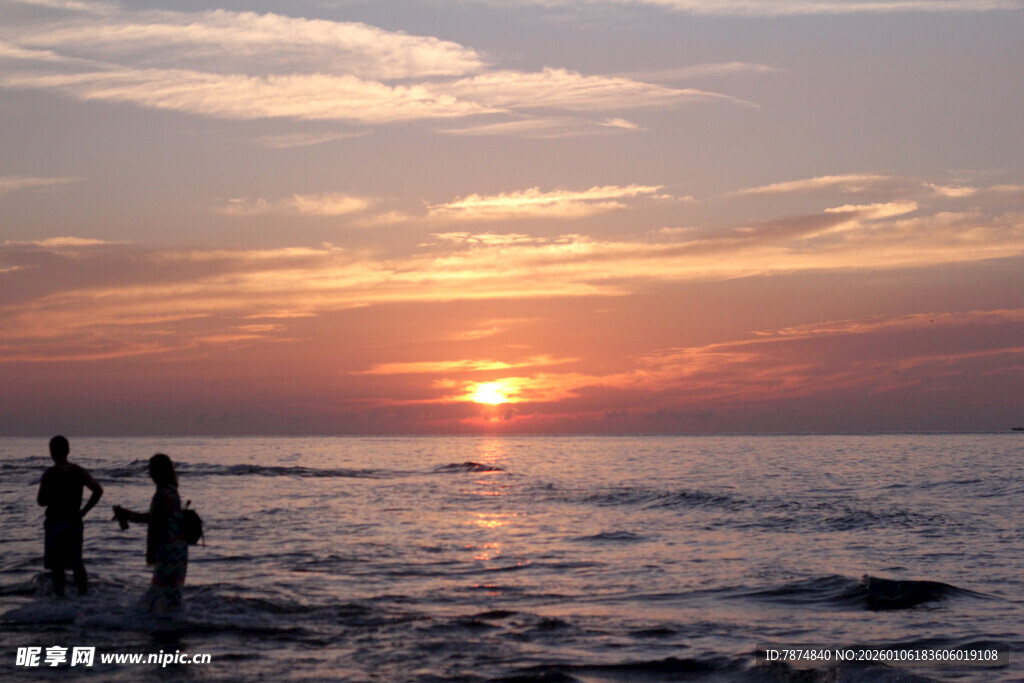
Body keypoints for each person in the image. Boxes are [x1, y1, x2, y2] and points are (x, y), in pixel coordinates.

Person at [113, 454, 188, 612]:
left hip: (168, 549)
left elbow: (153, 519)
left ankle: (149, 623)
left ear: (159, 472)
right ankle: (174, 625)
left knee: (157, 594)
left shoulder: (162, 495)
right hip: (179, 547)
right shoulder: (173, 491)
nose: (150, 474)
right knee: (171, 595)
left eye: (152, 470)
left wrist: (128, 515)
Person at [37, 435, 103, 597]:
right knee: (76, 563)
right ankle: (83, 597)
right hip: (74, 521)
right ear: (68, 451)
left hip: (54, 522)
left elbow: (41, 501)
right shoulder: (78, 471)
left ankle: (60, 599)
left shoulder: (50, 474)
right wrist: (84, 511)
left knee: (57, 566)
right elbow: (97, 490)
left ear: (52, 452)